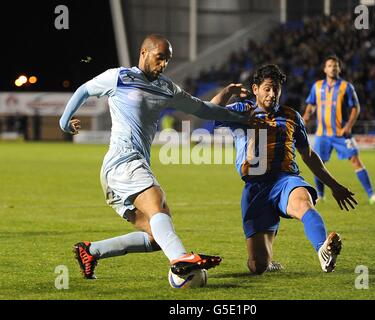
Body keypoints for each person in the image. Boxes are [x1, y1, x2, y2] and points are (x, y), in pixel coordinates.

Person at [59, 34, 256, 280]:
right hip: (123, 162)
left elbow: (202, 108)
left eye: (167, 60)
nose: (163, 65)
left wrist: (239, 115)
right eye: (159, 58)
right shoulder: (119, 77)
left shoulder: (166, 87)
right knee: (158, 202)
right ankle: (181, 259)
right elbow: (84, 90)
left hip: (125, 170)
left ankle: (91, 251)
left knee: (157, 236)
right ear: (144, 53)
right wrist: (64, 121)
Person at [212, 64, 357, 274]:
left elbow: (308, 155)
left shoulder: (291, 116)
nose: (272, 94)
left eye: (276, 89)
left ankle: (322, 250)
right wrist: (229, 91)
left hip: (285, 179)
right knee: (257, 266)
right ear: (255, 89)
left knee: (303, 203)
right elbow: (209, 110)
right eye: (267, 89)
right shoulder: (242, 110)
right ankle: (267, 260)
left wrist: (334, 186)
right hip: (255, 188)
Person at [303, 55, 375, 204]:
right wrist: (306, 115)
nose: (333, 68)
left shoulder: (346, 87)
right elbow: (311, 104)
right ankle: (320, 196)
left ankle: (372, 196)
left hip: (341, 133)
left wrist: (348, 126)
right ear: (324, 69)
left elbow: (356, 107)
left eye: (335, 66)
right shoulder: (317, 86)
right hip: (322, 134)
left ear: (339, 68)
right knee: (317, 163)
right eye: (330, 65)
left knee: (355, 160)